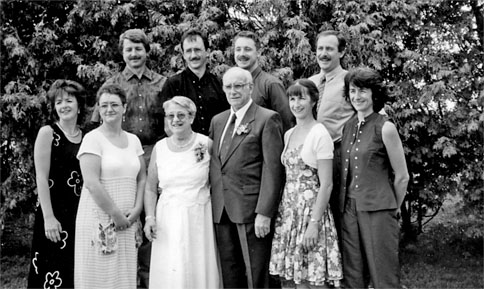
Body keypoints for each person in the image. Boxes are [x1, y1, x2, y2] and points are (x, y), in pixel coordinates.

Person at [90, 28, 166, 287]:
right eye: (128, 49)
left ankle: (150, 280)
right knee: (126, 219)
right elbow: (97, 126)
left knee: (153, 221)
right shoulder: (111, 86)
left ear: (147, 51)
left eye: (138, 48)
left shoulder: (162, 83)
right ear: (122, 53)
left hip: (156, 161)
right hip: (125, 165)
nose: (134, 54)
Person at [209, 67, 285, 288]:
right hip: (221, 210)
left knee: (256, 274)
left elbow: (273, 170)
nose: (233, 91)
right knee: (229, 272)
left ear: (250, 87)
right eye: (228, 86)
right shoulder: (218, 121)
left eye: (239, 86)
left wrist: (264, 212)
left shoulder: (267, 119)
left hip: (251, 210)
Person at [340, 67, 409, 288]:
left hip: (378, 209)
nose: (356, 96)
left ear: (374, 94)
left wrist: (393, 208)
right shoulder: (348, 126)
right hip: (349, 209)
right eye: (352, 91)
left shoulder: (385, 127)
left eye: (363, 91)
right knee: (353, 274)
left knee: (383, 275)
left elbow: (402, 176)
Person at [270, 79, 343, 288]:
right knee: (290, 278)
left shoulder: (320, 134)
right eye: (292, 98)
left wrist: (314, 223)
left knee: (311, 279)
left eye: (301, 97)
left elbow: (326, 184)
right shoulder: (289, 134)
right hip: (289, 213)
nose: (296, 104)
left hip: (310, 213)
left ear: (313, 101)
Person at [144, 96, 221, 288]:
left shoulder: (206, 144)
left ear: (192, 117)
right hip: (167, 218)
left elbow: (218, 183)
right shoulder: (160, 148)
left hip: (198, 216)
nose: (175, 120)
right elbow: (150, 188)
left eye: (181, 115)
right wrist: (150, 218)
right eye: (170, 116)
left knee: (197, 268)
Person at [75, 84, 146, 289]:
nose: (109, 109)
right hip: (101, 218)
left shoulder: (133, 140)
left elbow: (142, 177)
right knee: (100, 276)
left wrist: (138, 208)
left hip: (128, 219)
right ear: (98, 108)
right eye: (104, 105)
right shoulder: (92, 139)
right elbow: (91, 183)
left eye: (114, 104)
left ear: (124, 107)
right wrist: (115, 215)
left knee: (123, 276)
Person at [27, 80, 86, 289]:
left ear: (79, 105)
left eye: (69, 100)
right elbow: (41, 177)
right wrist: (48, 217)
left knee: (74, 270)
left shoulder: (88, 136)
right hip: (54, 212)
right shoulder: (48, 133)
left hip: (80, 214)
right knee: (50, 271)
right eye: (59, 102)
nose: (64, 105)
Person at [308, 30, 355, 238]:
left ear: (341, 52)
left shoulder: (350, 81)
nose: (323, 54)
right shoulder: (311, 82)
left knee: (337, 212)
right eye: (320, 49)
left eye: (329, 49)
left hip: (338, 156)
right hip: (311, 158)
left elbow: (375, 114)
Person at [160, 28, 229, 135]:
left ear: (207, 51)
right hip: (183, 149)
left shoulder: (220, 85)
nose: (193, 55)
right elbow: (167, 126)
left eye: (197, 50)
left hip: (214, 148)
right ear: (183, 54)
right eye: (188, 51)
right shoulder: (173, 85)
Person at [233, 30, 294, 132]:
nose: (242, 54)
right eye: (238, 49)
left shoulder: (271, 85)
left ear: (258, 52)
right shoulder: (231, 86)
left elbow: (287, 124)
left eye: (247, 49)